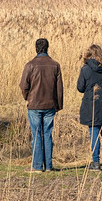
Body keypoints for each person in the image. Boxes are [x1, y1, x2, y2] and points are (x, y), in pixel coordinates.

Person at [20, 38, 63, 172]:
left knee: (37, 135)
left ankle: (37, 166)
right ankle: (49, 166)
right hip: (50, 105)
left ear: (36, 48)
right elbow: (59, 88)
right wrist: (59, 105)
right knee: (47, 134)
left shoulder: (30, 65)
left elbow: (23, 85)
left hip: (34, 105)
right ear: (47, 48)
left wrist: (28, 97)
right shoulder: (55, 65)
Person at [77, 44, 102, 171]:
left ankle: (96, 162)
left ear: (89, 55)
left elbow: (80, 87)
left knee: (94, 132)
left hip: (91, 104)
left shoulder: (85, 69)